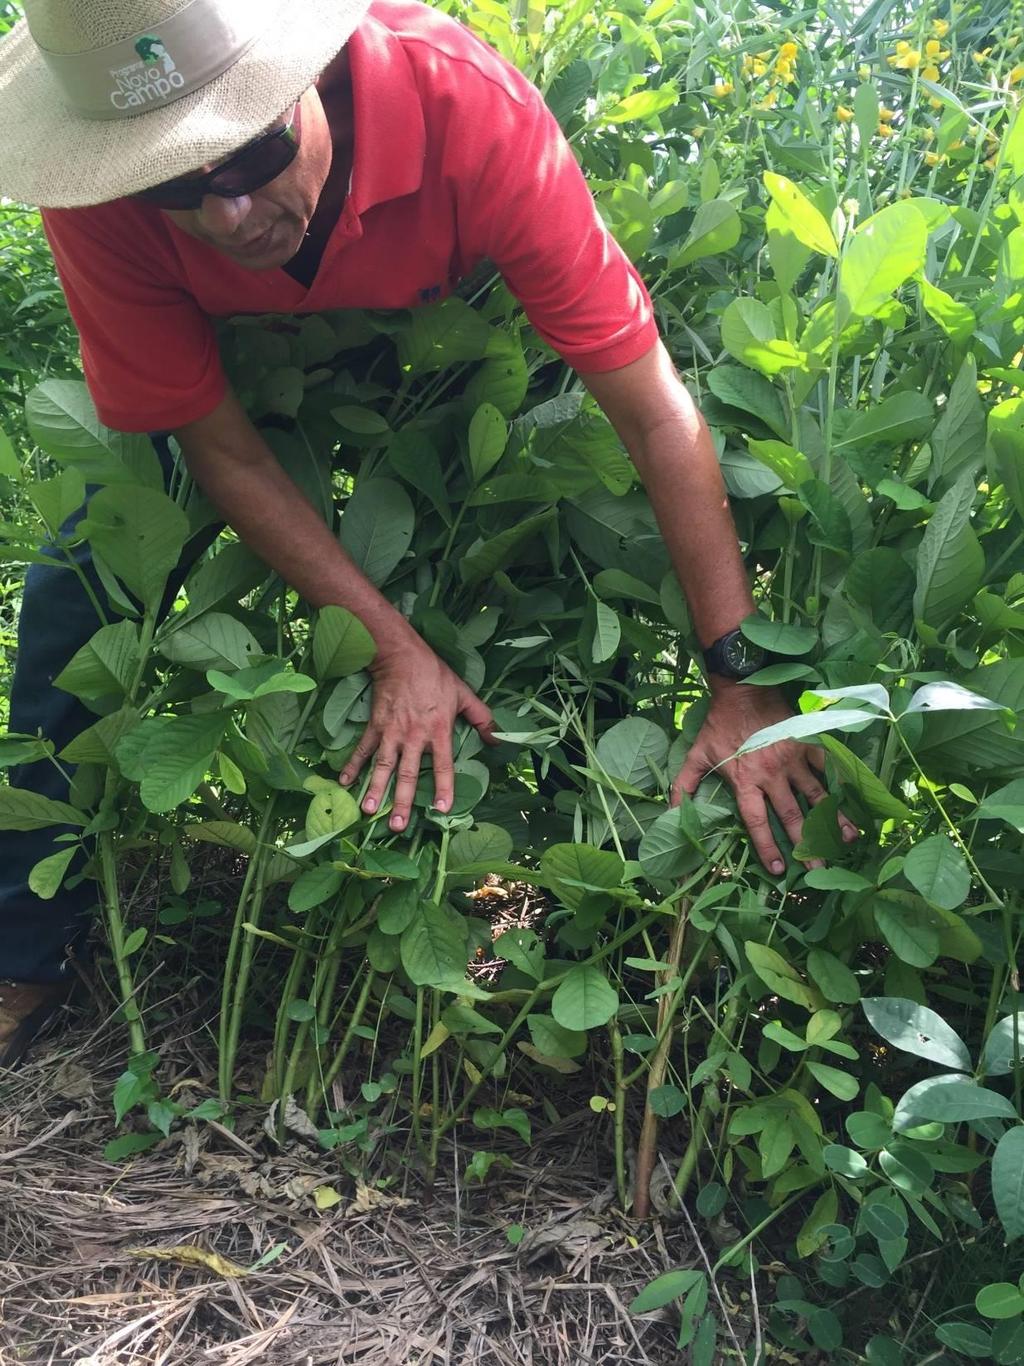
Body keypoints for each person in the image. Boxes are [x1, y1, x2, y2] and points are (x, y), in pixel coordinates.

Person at [0, 0, 856, 1065]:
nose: (229, 215)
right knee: (79, 585)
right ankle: (24, 952)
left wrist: (740, 680)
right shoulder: (106, 183)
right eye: (180, 183)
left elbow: (651, 412)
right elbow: (223, 449)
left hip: (446, 331)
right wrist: (389, 646)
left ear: (299, 79)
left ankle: (569, 888)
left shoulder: (467, 110)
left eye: (253, 153)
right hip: (232, 360)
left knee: (545, 515)